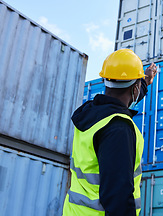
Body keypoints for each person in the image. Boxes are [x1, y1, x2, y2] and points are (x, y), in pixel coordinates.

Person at [62, 49, 157, 216]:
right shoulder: (118, 127)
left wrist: (145, 81)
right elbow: (118, 197)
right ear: (135, 88)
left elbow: (121, 97)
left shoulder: (91, 115)